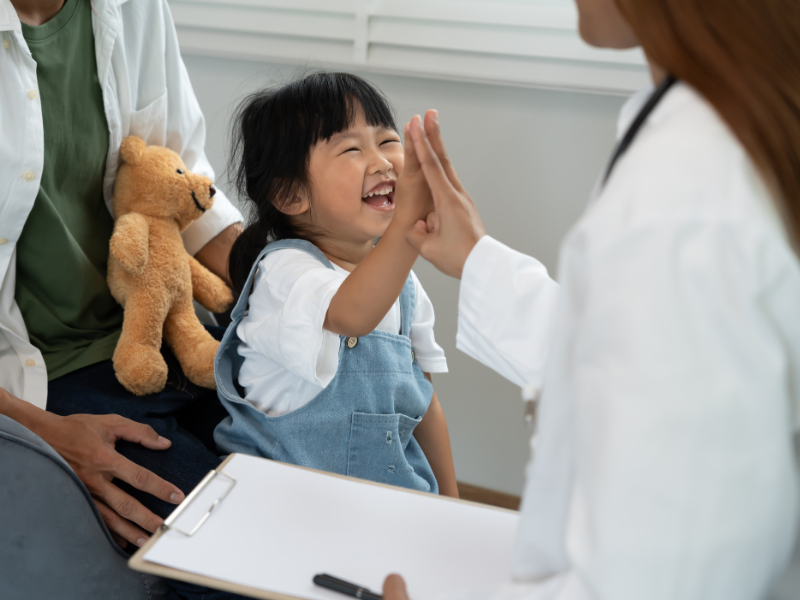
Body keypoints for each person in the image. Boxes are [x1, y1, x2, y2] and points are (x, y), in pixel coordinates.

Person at [379, 0, 800, 598]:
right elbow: (649, 352)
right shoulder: (725, 128)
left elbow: (662, 580)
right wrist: (476, 260)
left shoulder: (684, 195)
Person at [0, 0, 248, 596]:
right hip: (51, 377)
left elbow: (185, 186)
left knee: (321, 473)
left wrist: (299, 288)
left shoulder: (134, 9)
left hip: (167, 334)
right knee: (235, 560)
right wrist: (49, 435)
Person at [213, 73, 458, 497]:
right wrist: (407, 228)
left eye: (387, 141)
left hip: (378, 499)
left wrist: (452, 503)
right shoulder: (284, 272)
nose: (381, 162)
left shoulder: (405, 286)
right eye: (351, 149)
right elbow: (351, 314)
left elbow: (424, 404)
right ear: (291, 196)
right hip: (275, 499)